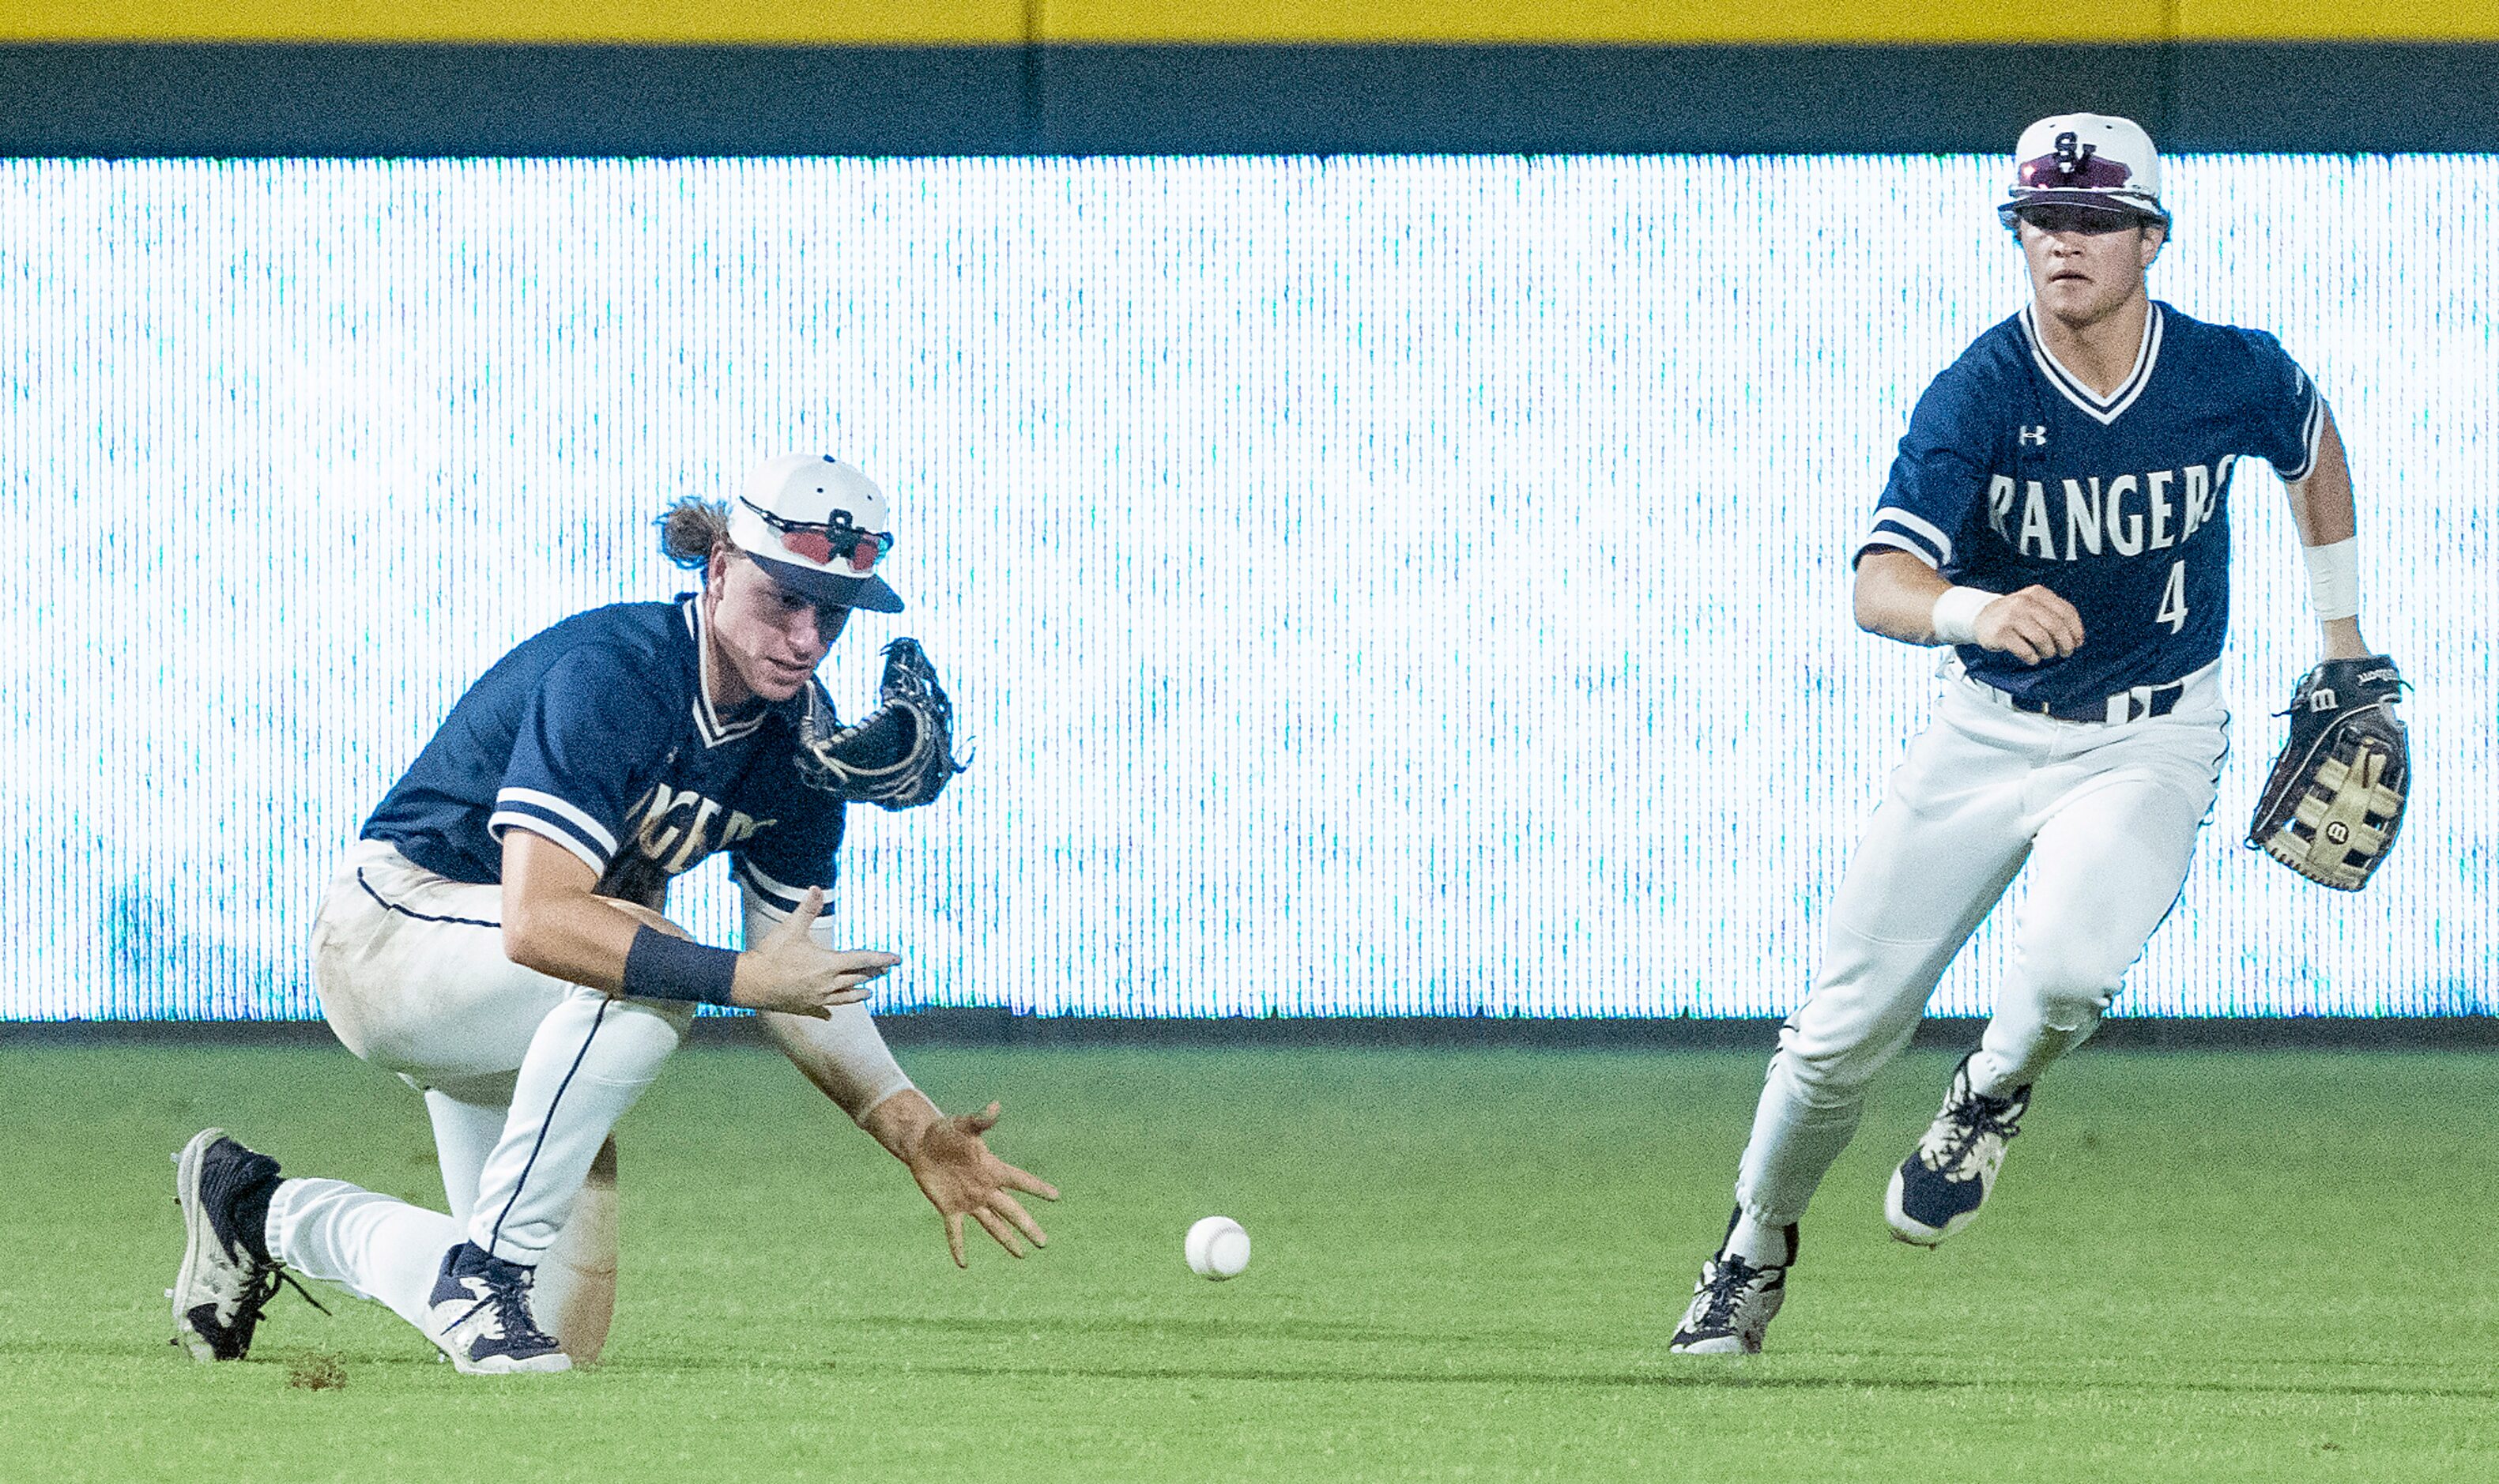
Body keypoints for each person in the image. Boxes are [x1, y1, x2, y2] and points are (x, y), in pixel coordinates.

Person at [1668, 115, 2392, 1354]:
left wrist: (2341, 635)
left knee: (2063, 970)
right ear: (2018, 234)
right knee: (1837, 1033)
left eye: (2097, 220)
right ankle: (1752, 1242)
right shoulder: (1982, 390)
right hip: (1985, 733)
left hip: (2151, 736)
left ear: (2148, 241)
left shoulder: (2226, 368)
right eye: (2043, 219)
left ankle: (1987, 1093)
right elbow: (1877, 584)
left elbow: (2308, 435)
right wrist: (1975, 607)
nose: (2066, 240)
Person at [169, 453, 1057, 1374]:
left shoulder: (799, 745)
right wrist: (735, 977)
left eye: (827, 613)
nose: (803, 636)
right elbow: (543, 924)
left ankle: (257, 1210)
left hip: (541, 1005)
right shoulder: (617, 672)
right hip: (394, 937)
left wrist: (913, 1128)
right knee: (654, 957)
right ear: (717, 569)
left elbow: (801, 974)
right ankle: (488, 1269)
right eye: (780, 599)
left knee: (545, 1354)